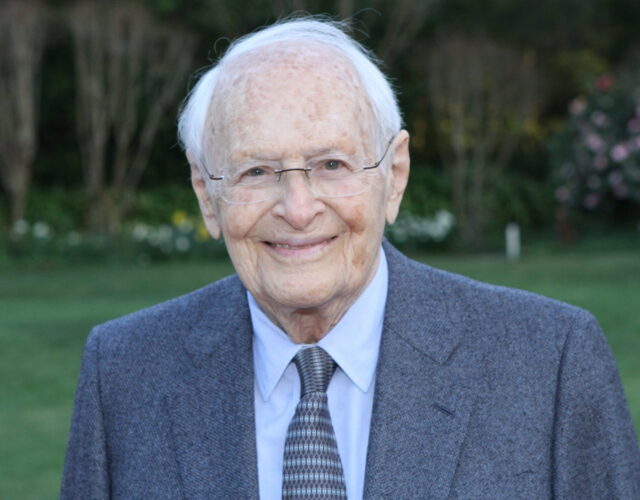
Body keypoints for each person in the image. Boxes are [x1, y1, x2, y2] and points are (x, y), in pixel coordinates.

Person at [61, 17, 640, 500]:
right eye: (256, 171)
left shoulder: (551, 363)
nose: (297, 207)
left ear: (394, 176)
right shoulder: (123, 373)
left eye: (331, 165)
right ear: (206, 194)